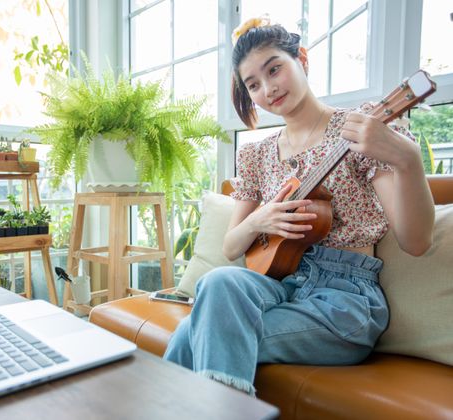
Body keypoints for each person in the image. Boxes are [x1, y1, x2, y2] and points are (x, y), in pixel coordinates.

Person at [163, 17, 435, 396]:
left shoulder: (358, 130)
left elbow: (416, 241)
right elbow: (231, 248)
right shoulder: (257, 154)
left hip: (343, 300)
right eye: (253, 84)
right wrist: (260, 218)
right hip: (277, 285)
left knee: (194, 333)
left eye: (275, 69)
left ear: (301, 60)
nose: (268, 88)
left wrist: (408, 160)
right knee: (218, 281)